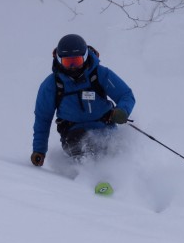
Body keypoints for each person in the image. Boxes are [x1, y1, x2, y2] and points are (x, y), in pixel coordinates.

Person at [30, 34, 136, 166]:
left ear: (85, 57)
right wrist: (39, 150)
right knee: (87, 149)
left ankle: (122, 177)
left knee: (115, 150)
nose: (73, 66)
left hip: (105, 127)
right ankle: (92, 178)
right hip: (73, 133)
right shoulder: (52, 84)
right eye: (68, 62)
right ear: (59, 60)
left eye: (77, 61)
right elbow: (42, 118)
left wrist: (122, 110)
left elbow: (125, 95)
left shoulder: (100, 74)